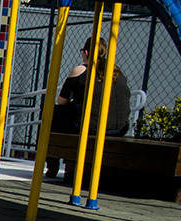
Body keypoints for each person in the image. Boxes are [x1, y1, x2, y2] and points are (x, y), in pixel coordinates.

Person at [46, 35, 133, 180]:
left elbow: (62, 101)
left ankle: (52, 165)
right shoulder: (117, 71)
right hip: (119, 127)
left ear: (86, 53)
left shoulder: (81, 70)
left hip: (91, 125)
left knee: (52, 113)